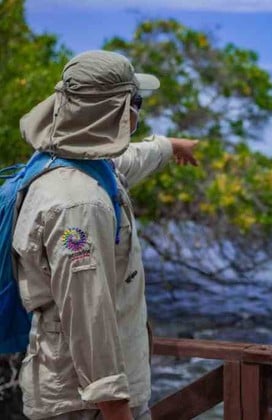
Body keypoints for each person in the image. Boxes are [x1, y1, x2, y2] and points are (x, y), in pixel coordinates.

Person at [13, 50, 199, 420]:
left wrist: (169, 146)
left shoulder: (68, 162)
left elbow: (127, 160)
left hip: (80, 396)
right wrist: (116, 408)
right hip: (86, 405)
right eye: (136, 102)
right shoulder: (80, 205)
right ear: (119, 111)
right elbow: (87, 316)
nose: (137, 112)